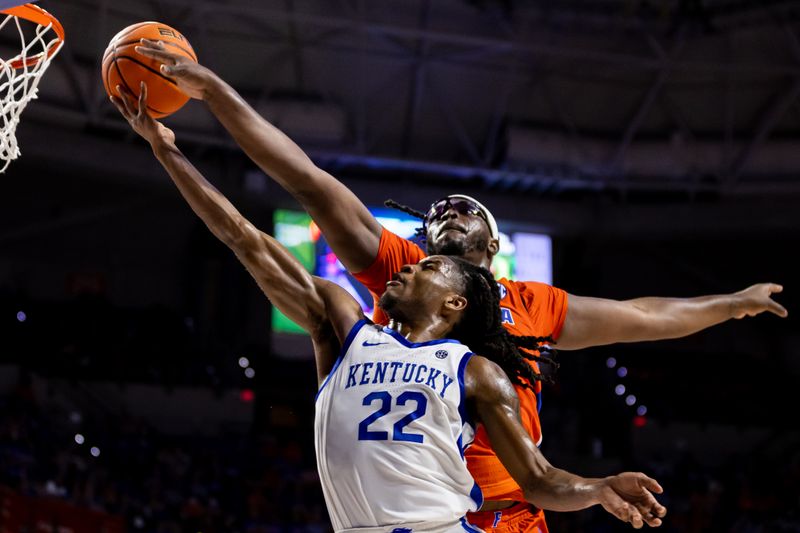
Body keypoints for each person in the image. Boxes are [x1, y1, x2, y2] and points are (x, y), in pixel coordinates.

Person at [129, 40, 787, 533]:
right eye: (434, 215)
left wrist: (730, 303)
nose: (446, 213)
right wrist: (210, 97)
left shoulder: (526, 304)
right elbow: (301, 180)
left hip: (512, 507)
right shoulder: (401, 272)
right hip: (413, 498)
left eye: (463, 209)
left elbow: (646, 315)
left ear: (487, 254)